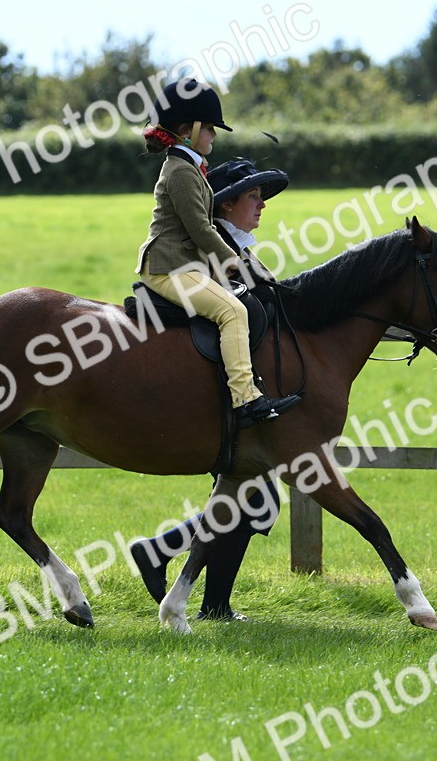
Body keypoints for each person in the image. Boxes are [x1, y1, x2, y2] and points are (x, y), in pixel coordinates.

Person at [131, 157, 291, 621]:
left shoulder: (241, 248)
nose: (261, 205)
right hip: (219, 402)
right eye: (252, 196)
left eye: (262, 196)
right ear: (226, 203)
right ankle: (190, 582)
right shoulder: (218, 252)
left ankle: (192, 582)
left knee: (254, 501)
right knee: (254, 499)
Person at [135, 79, 301, 427]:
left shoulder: (190, 167)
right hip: (167, 268)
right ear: (187, 130)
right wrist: (231, 259)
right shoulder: (180, 171)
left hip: (182, 265)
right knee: (232, 311)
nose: (213, 135)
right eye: (208, 128)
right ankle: (244, 399)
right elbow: (199, 227)